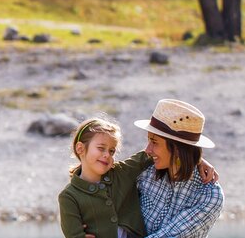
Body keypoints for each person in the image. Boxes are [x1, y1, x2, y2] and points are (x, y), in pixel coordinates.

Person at [58, 117, 219, 238]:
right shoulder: (69, 196)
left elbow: (146, 157)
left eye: (112, 151)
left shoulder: (122, 173)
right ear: (80, 148)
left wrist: (194, 158)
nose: (107, 155)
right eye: (101, 148)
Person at [132, 99, 224, 238]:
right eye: (149, 140)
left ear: (177, 149)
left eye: (155, 142)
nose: (147, 149)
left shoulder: (209, 196)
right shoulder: (145, 169)